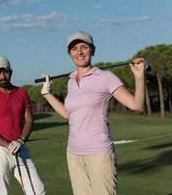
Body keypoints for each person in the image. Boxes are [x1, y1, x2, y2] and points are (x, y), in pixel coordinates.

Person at [40, 30, 145, 195]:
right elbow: (69, 115)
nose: (79, 52)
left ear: (92, 50)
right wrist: (47, 94)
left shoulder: (106, 77)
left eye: (84, 47)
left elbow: (136, 105)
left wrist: (139, 77)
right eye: (74, 48)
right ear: (69, 53)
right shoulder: (71, 81)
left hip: (99, 154)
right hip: (73, 154)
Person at [0, 56, 45, 195]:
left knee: (38, 190)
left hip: (20, 148)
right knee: (1, 192)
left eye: (6, 72)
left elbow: (29, 120)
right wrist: (7, 144)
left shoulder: (21, 93)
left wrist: (21, 140)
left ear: (11, 72)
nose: (3, 76)